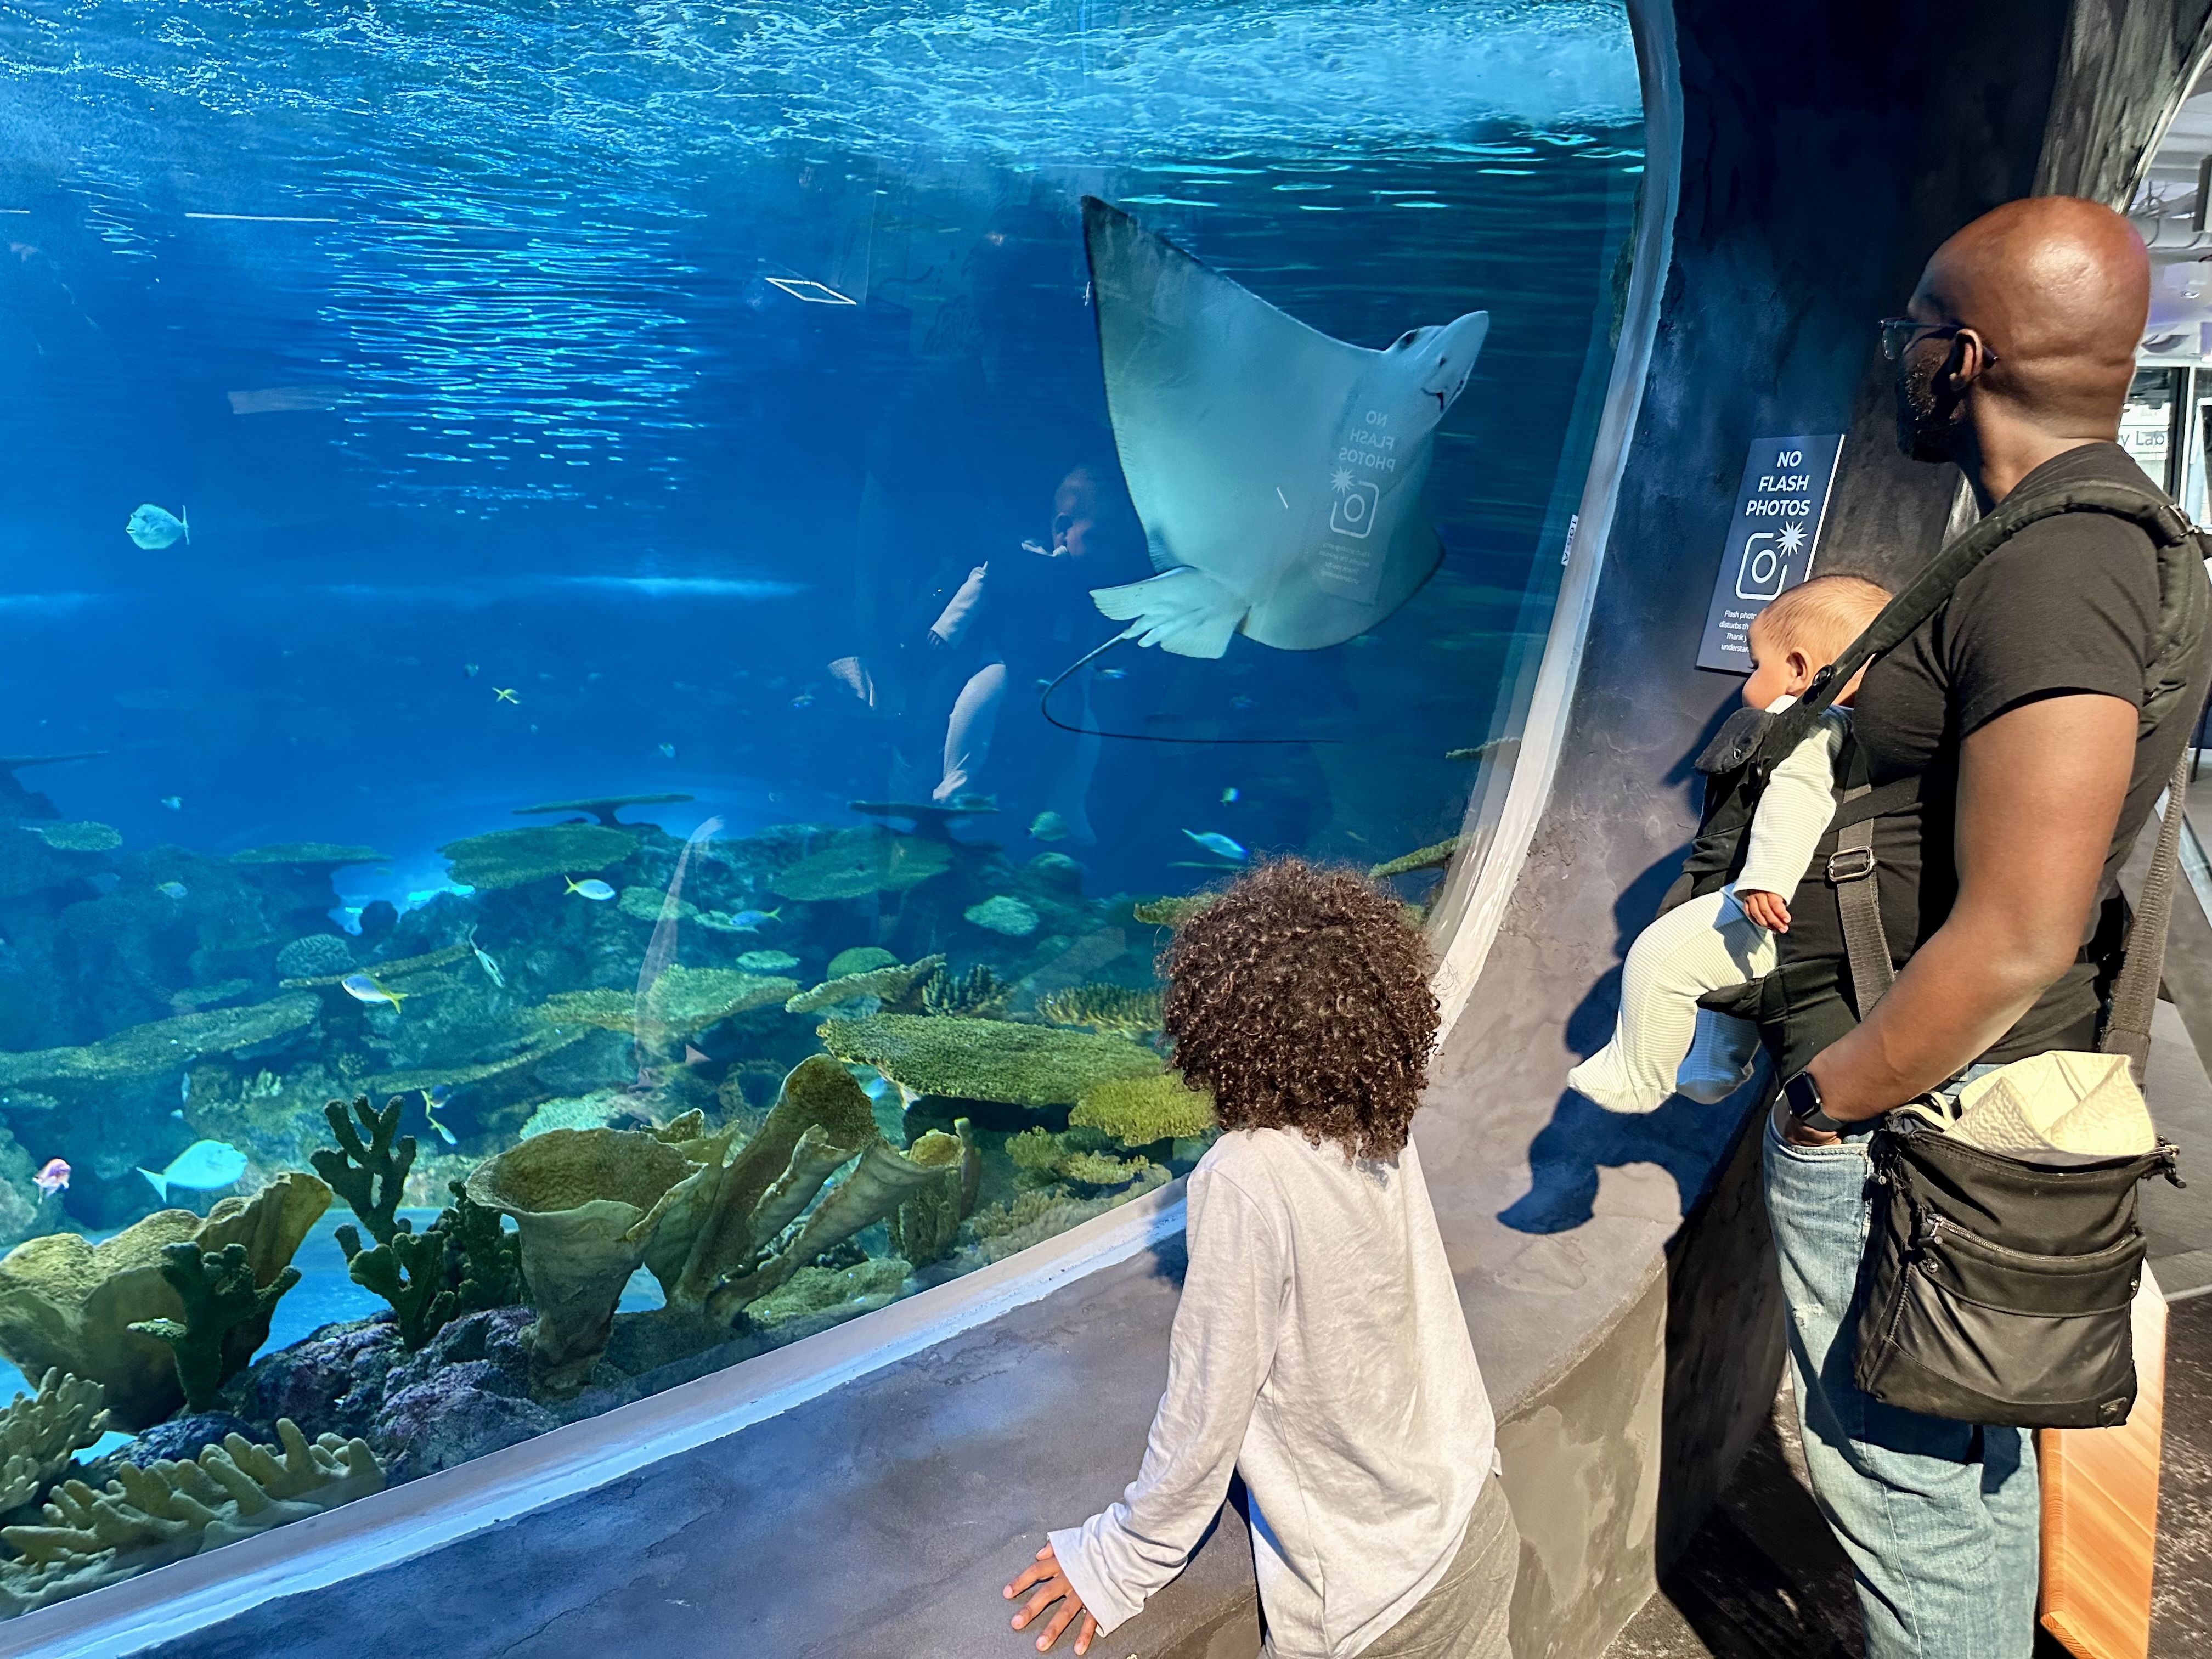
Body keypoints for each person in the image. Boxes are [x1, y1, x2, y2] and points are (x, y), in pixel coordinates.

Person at [1762, 196, 2212, 1658]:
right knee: (1960, 1462)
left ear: (1964, 358)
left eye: (1910, 336)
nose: (1897, 363)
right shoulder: (2058, 544)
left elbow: (2020, 925)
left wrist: (1829, 1103)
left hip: (1918, 1112)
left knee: (1908, 1496)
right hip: (1947, 1095)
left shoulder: (2059, 565)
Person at [1001, 859, 1515, 1658]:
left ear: (1219, 1021)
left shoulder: (1246, 1176)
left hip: (1381, 1605)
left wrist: (1121, 1560)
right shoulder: (1374, 1111)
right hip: (1473, 1524)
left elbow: (1206, 1409)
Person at [1570, 574, 1892, 1113]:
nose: (1747, 682)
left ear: (1798, 670)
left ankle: (1636, 1078)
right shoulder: (1861, 738)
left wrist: (1766, 880)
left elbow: (1798, 800)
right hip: (1799, 911)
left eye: (1755, 666)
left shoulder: (1807, 729)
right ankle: (1715, 1067)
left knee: (1659, 956)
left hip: (1775, 902)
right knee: (1723, 978)